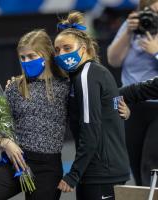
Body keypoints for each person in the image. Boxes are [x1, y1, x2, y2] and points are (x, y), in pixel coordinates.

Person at [0, 29, 69, 200]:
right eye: (23, 58)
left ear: (47, 55)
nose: (26, 61)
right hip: (13, 163)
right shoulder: (15, 86)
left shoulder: (65, 86)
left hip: (47, 169)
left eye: (31, 56)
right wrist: (6, 142)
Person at [54, 11, 130, 200]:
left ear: (84, 47)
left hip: (101, 172)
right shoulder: (86, 74)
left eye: (67, 47)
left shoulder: (87, 76)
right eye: (57, 50)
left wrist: (74, 174)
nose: (61, 54)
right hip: (103, 170)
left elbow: (91, 127)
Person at [107, 0, 158, 186]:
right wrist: (128, 31)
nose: (153, 17)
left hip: (156, 104)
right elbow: (113, 60)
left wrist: (156, 51)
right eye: (150, 12)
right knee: (135, 164)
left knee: (151, 164)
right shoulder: (135, 24)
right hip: (131, 104)